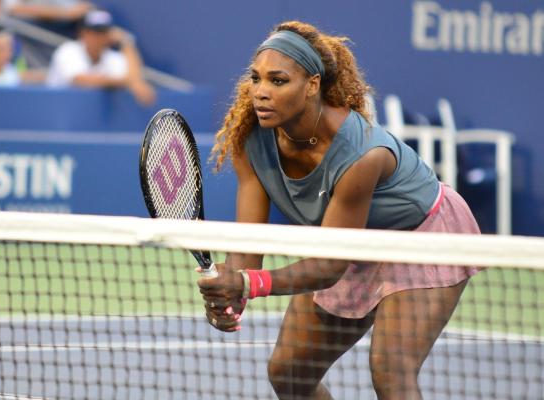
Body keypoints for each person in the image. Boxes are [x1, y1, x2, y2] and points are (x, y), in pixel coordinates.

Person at [197, 20, 481, 399]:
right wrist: (231, 292)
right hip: (349, 241)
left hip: (420, 237)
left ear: (312, 85)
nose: (260, 92)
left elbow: (330, 267)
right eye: (256, 78)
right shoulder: (251, 141)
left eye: (278, 81)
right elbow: (250, 243)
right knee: (289, 374)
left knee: (391, 371)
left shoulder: (362, 154)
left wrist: (248, 284)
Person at [46, 9, 155, 106]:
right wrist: (128, 82)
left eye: (104, 32)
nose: (100, 37)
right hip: (57, 112)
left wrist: (126, 43)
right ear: (83, 33)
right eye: (95, 32)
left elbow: (136, 79)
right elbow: (80, 80)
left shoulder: (112, 58)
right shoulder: (67, 50)